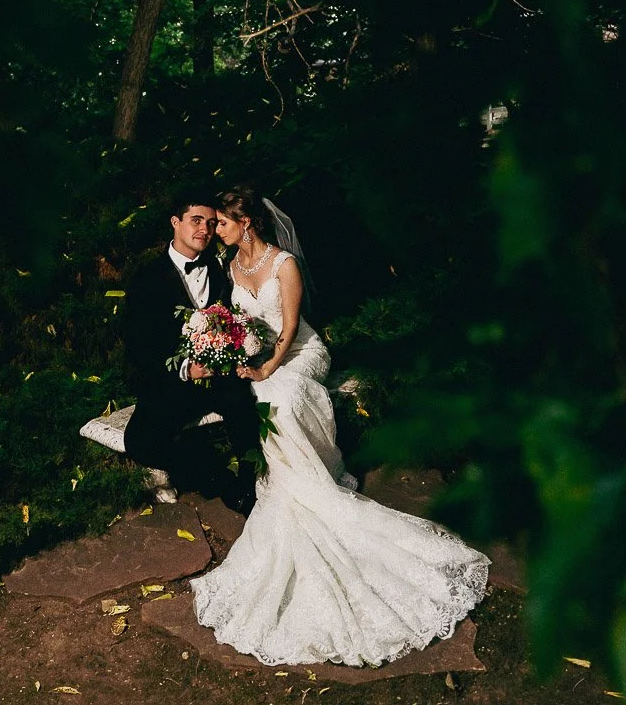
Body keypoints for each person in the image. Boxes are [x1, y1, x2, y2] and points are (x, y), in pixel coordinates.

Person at [190, 184, 490, 668]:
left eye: (221, 222)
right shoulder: (230, 266)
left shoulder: (283, 264)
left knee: (280, 397)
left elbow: (289, 328)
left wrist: (267, 367)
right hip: (261, 356)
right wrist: (230, 348)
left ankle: (311, 483)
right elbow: (238, 324)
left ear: (245, 223)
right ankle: (291, 486)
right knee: (258, 397)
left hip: (300, 355)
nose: (214, 229)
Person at [122, 190, 259, 513]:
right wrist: (185, 368)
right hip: (174, 379)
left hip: (220, 374)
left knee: (242, 405)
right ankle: (218, 479)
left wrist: (224, 353)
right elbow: (139, 345)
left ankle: (252, 481)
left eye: (211, 224)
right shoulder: (147, 278)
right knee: (140, 442)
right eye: (196, 221)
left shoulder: (218, 268)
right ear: (175, 222)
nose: (205, 231)